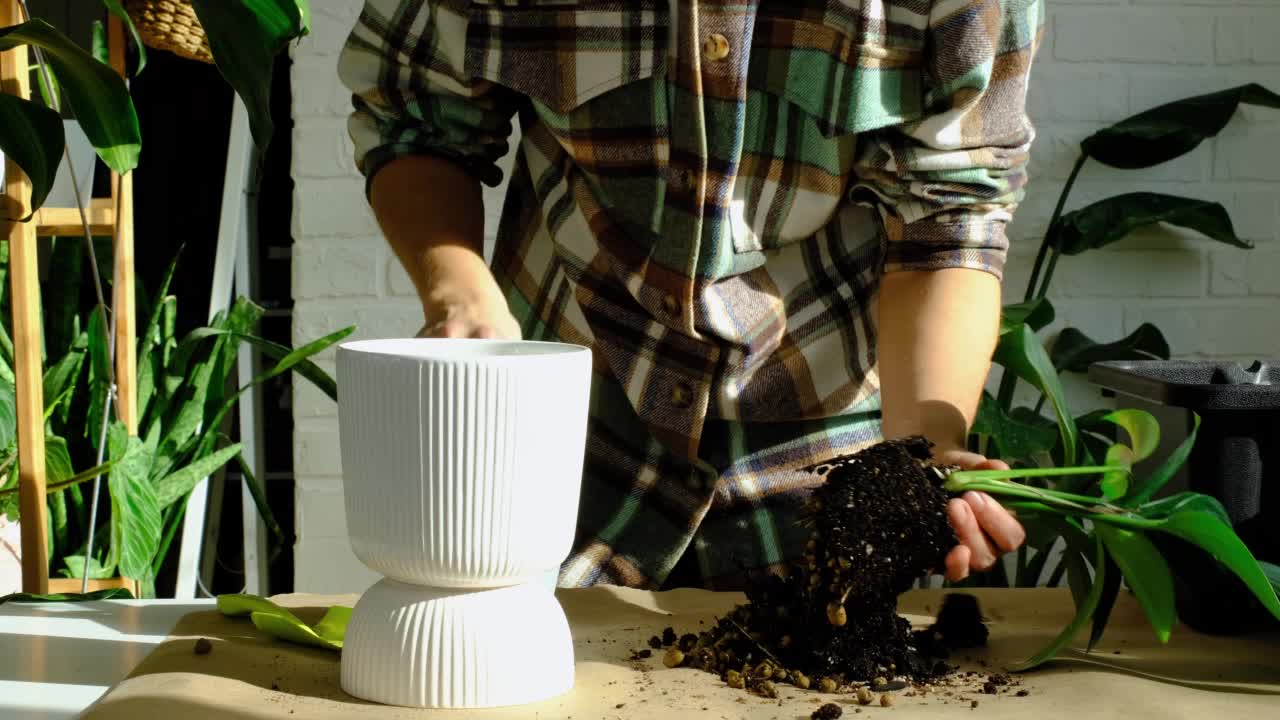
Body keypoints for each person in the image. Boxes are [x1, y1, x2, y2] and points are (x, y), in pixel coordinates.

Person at [337, 0, 1041, 591]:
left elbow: (947, 214)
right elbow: (414, 115)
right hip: (567, 447)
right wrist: (462, 299)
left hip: (826, 469)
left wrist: (922, 455)